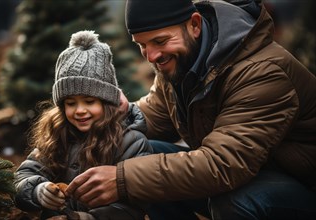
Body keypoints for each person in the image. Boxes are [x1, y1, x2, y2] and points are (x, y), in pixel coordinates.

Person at [65, 0, 316, 219]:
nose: (151, 56)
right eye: (141, 45)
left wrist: (122, 180)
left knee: (235, 200)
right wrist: (115, 115)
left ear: (194, 25)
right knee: (142, 152)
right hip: (252, 174)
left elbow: (223, 165)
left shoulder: (262, 72)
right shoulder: (181, 60)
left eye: (159, 41)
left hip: (301, 188)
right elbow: (153, 116)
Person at [13, 30, 152, 220]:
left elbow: (132, 207)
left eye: (89, 101)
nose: (79, 110)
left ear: (107, 102)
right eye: (71, 103)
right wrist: (37, 190)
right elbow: (23, 175)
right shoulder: (57, 135)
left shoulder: (131, 141)